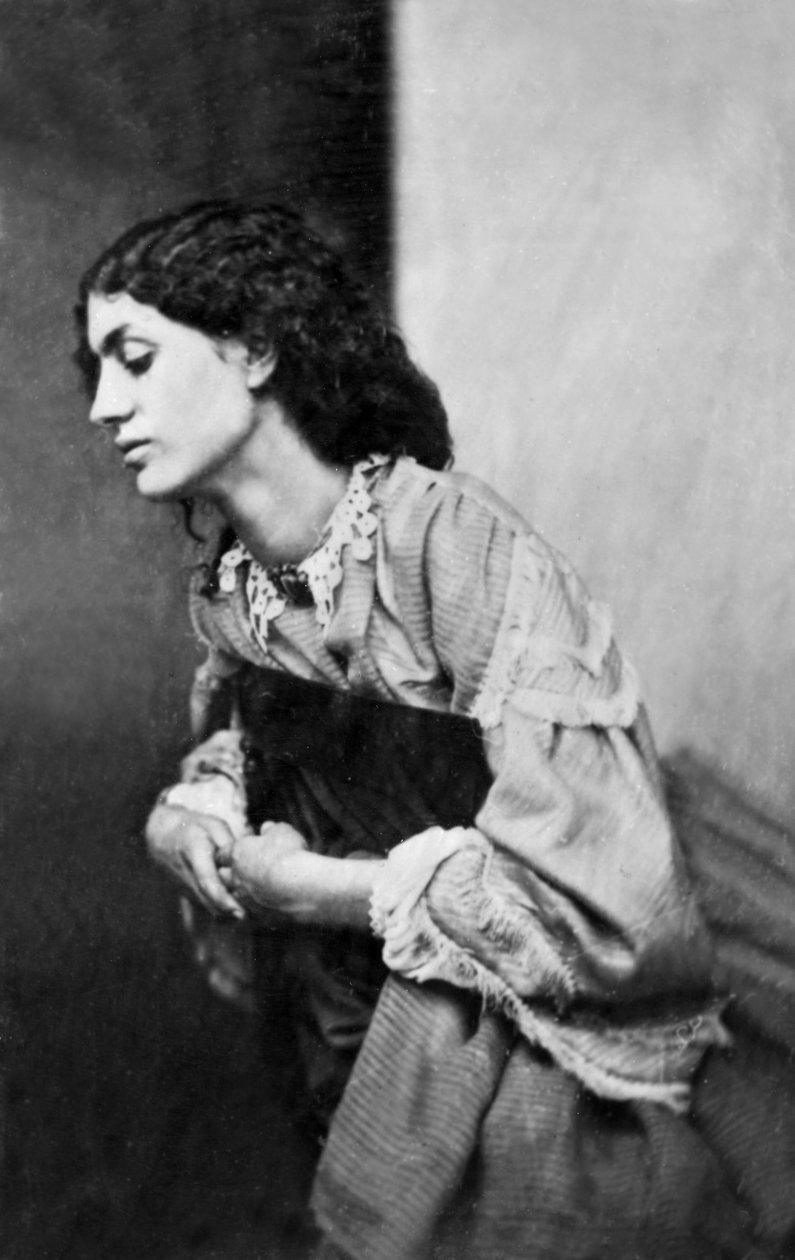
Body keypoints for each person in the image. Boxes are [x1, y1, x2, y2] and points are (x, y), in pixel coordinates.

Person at [74, 201, 794, 1260]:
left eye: (134, 360)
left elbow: (598, 895)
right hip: (340, 1013)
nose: (104, 406)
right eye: (96, 371)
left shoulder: (451, 548)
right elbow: (255, 727)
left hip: (526, 1026)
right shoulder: (235, 584)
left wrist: (316, 888)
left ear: (256, 349)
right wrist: (198, 807)